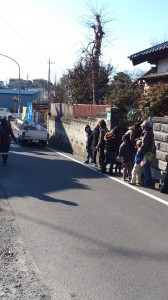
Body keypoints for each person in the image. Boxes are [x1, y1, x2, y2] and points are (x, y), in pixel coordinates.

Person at [137, 120, 156, 188]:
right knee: (147, 167)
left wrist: (139, 151)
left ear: (145, 127)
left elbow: (144, 144)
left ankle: (148, 183)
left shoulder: (147, 133)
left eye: (142, 126)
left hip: (147, 153)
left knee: (146, 168)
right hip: (151, 153)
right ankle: (149, 182)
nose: (141, 127)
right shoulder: (151, 133)